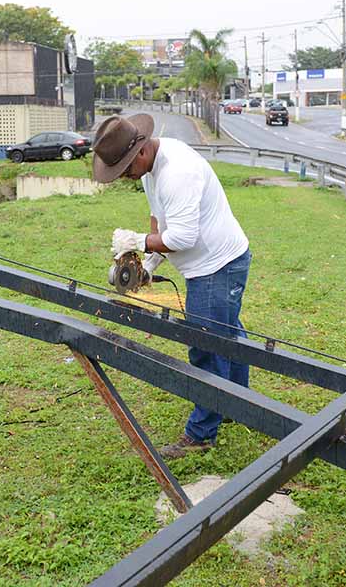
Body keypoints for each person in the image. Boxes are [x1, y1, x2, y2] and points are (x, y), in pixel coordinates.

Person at [92, 114, 251, 460]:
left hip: (217, 266)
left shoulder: (177, 172)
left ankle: (201, 433)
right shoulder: (153, 167)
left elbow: (182, 236)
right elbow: (159, 219)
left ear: (140, 154)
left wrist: (139, 241)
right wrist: (147, 265)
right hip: (212, 263)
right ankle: (240, 404)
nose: (126, 177)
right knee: (230, 336)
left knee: (206, 346)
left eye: (125, 170)